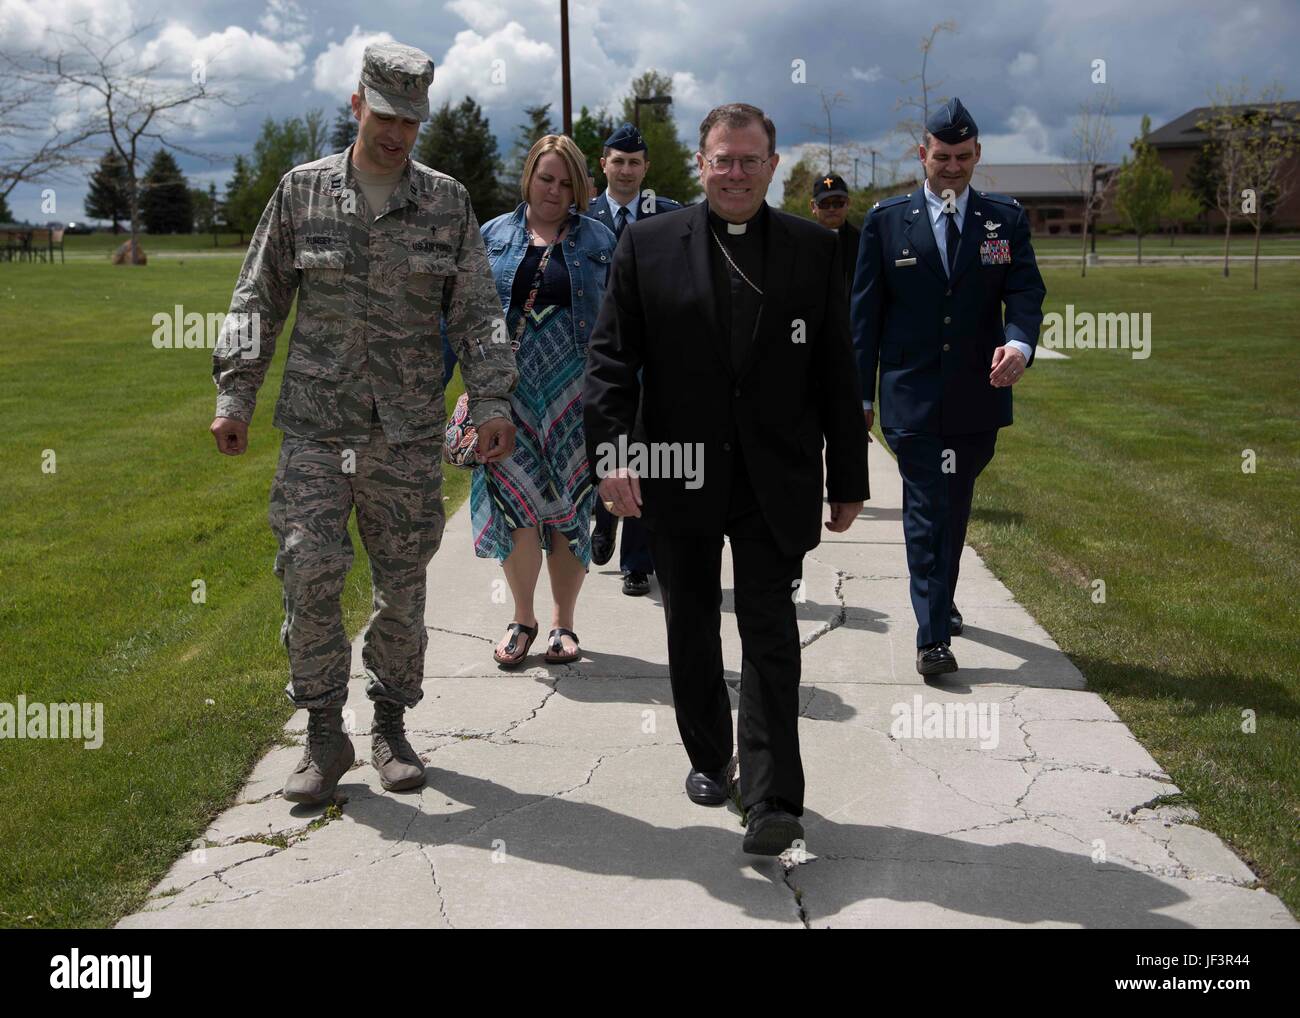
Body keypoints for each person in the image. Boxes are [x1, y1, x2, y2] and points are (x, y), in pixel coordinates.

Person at [209, 42, 518, 805]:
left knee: (401, 584)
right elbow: (258, 298)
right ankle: (323, 731)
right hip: (317, 427)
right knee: (308, 571)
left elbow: (477, 311)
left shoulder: (445, 202)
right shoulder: (302, 192)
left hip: (406, 433)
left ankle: (388, 723)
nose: (397, 134)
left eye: (411, 122)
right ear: (357, 105)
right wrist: (234, 395)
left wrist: (492, 401)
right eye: (385, 117)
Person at [585, 103, 868, 855]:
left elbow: (836, 368)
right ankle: (710, 755)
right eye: (722, 159)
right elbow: (612, 360)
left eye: (750, 160)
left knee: (770, 627)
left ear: (774, 166)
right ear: (701, 165)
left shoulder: (814, 249)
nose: (735, 173)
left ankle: (774, 794)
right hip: (677, 470)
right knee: (690, 622)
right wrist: (612, 456)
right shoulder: (648, 245)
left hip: (775, 472)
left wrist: (847, 475)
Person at [851, 96, 1045, 677]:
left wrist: (1019, 343)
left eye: (963, 156)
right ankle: (932, 636)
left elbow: (1026, 293)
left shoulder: (1003, 220)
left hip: (975, 396)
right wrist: (861, 396)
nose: (953, 166)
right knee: (926, 506)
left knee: (953, 504)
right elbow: (864, 318)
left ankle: (940, 597)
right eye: (943, 156)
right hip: (910, 398)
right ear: (923, 155)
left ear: (978, 155)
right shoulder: (886, 223)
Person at [475, 135, 616, 668]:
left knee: (570, 509)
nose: (554, 190)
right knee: (515, 505)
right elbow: (463, 316)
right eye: (545, 178)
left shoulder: (599, 239)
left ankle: (564, 622)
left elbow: (625, 319)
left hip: (578, 393)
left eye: (565, 182)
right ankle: (522, 617)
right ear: (529, 176)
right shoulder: (492, 236)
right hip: (507, 394)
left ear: (579, 186)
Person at [586, 122, 682, 597]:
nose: (626, 170)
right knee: (607, 441)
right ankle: (603, 517)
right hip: (596, 353)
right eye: (617, 161)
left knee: (641, 452)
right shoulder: (581, 215)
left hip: (651, 356)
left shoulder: (667, 217)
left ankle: (637, 561)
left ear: (646, 167)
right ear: (603, 164)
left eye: (634, 162)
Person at [810, 172, 859, 299]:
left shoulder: (863, 241)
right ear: (813, 206)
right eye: (824, 203)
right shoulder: (802, 243)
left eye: (838, 203)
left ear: (848, 203)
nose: (831, 209)